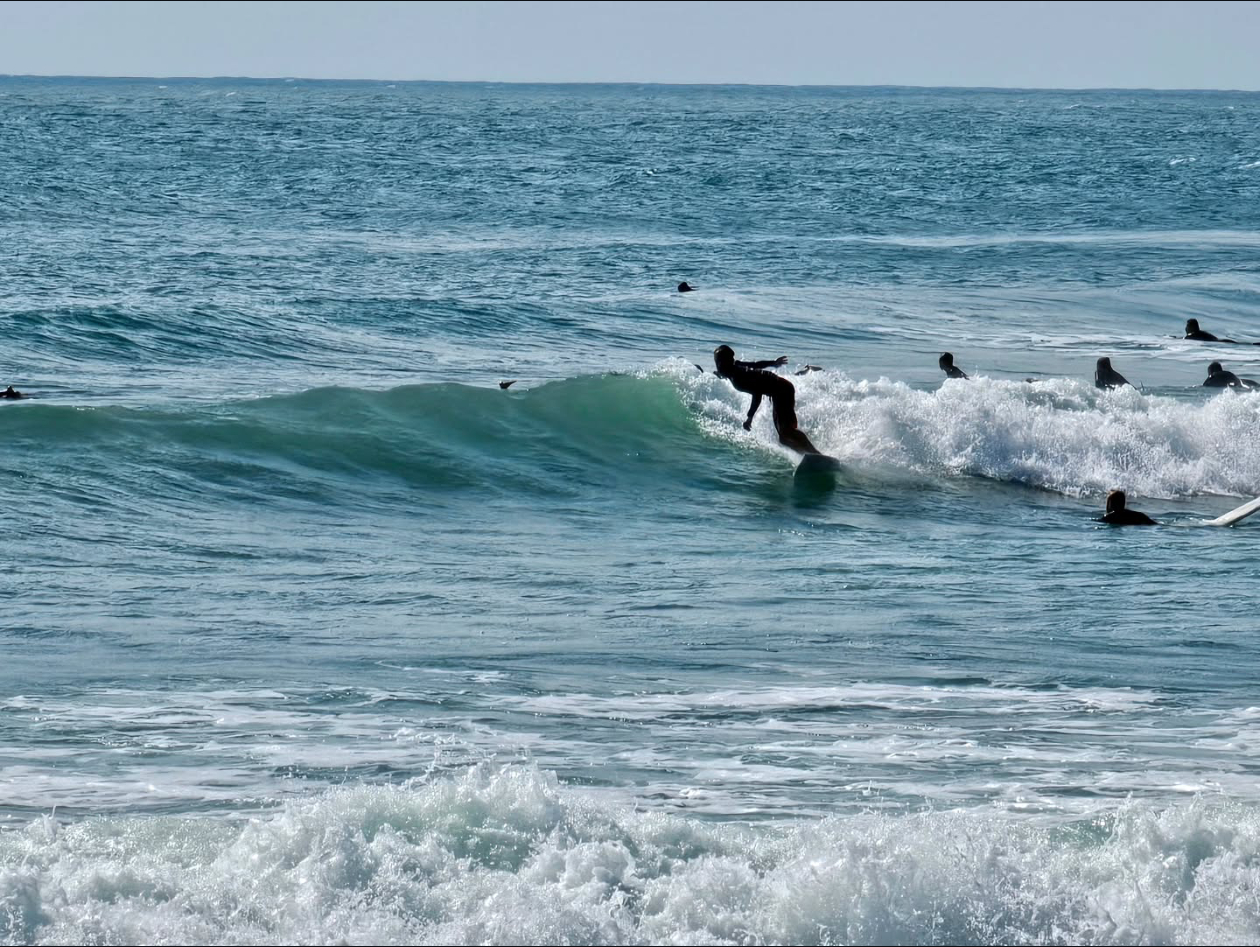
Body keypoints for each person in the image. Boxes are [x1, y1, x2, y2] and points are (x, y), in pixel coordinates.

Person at [713, 345, 821, 455]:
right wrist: (772, 363)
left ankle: (815, 453)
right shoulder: (734, 367)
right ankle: (806, 455)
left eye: (721, 363)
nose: (719, 366)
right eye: (717, 363)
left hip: (782, 390)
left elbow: (757, 393)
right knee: (783, 439)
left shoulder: (737, 378)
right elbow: (755, 365)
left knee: (787, 432)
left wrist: (750, 417)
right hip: (778, 392)